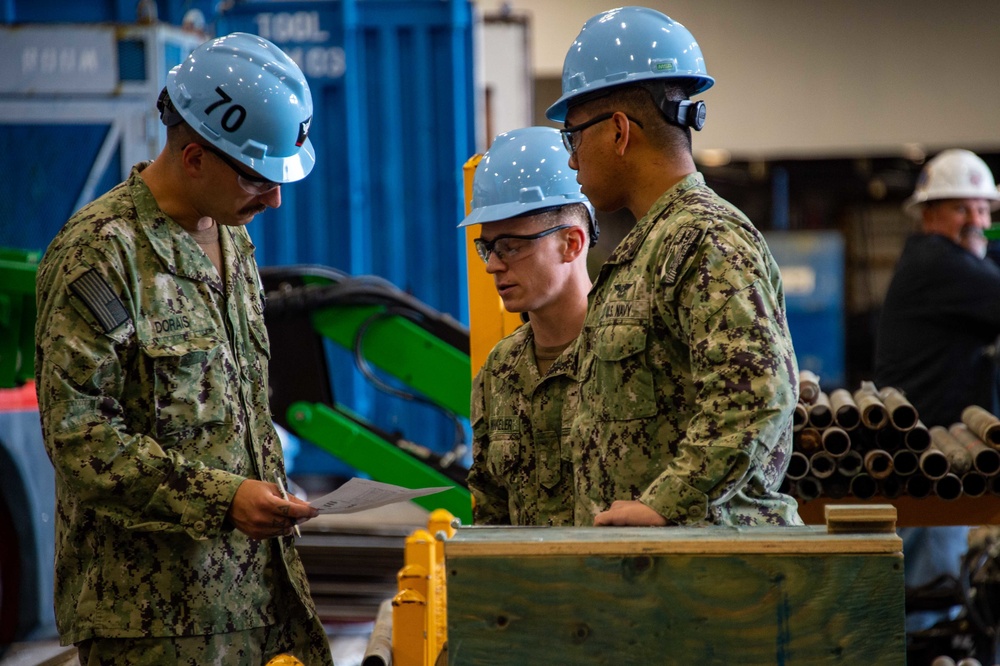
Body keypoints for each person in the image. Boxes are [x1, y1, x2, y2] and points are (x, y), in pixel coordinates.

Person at [34, 33, 334, 665]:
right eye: (258, 178)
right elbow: (81, 439)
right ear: (194, 157)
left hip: (255, 597)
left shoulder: (233, 240)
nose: (275, 198)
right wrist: (220, 498)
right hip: (153, 622)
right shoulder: (102, 253)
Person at [545, 6, 801, 527]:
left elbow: (756, 393)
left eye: (572, 137)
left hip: (709, 571)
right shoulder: (653, 246)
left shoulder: (704, 240)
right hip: (662, 567)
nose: (571, 160)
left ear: (618, 131)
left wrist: (665, 504)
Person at [874, 149, 1000, 652]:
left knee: (940, 592)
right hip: (930, 466)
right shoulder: (937, 262)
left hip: (944, 457)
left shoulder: (951, 261)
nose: (977, 221)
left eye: (984, 210)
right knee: (931, 606)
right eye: (961, 209)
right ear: (928, 215)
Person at [462, 126, 596, 526]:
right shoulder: (500, 369)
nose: (492, 265)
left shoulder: (631, 354)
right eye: (488, 247)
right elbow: (490, 509)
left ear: (571, 243)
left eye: (512, 246)